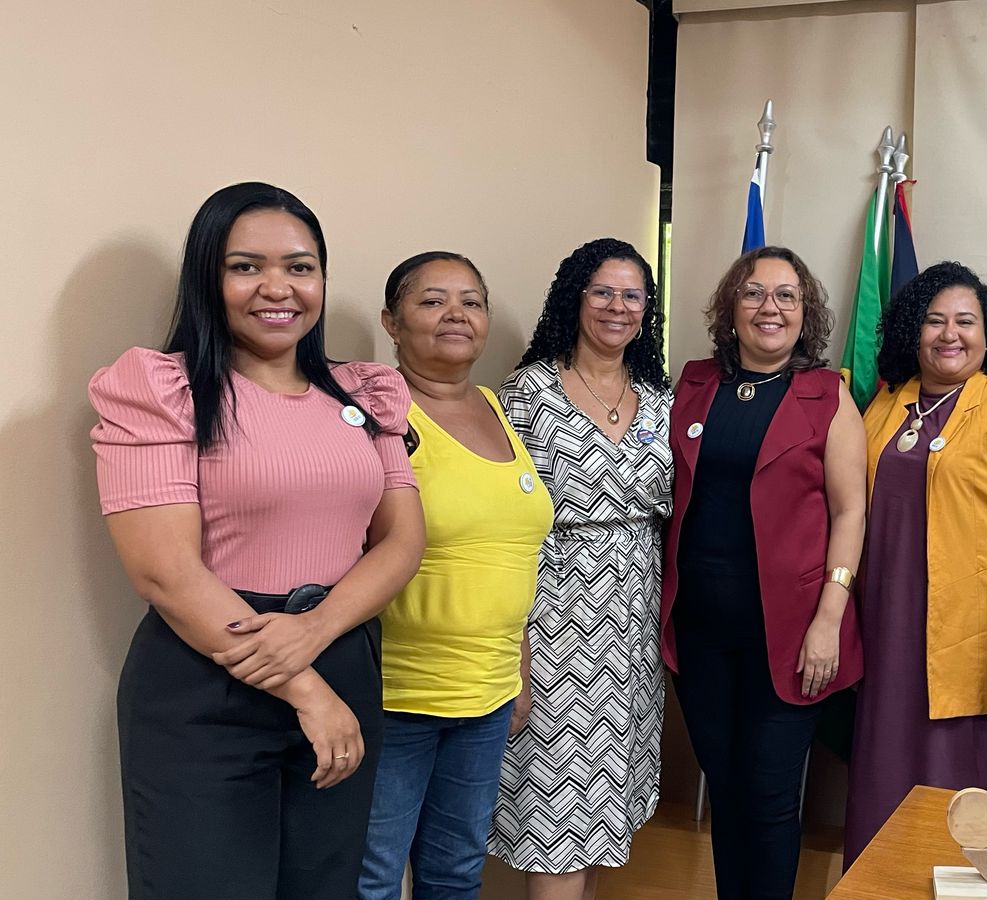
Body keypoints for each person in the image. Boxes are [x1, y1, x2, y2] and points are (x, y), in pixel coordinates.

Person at [89, 182, 425, 900]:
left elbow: (401, 541)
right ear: (208, 278)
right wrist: (304, 686)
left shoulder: (364, 394)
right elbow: (166, 573)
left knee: (324, 887)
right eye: (246, 266)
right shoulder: (161, 390)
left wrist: (315, 633)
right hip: (207, 677)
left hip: (342, 657)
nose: (278, 287)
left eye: (300, 267)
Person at [662, 247, 866, 899]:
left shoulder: (828, 396)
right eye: (753, 293)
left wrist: (830, 618)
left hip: (793, 637)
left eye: (786, 295)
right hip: (701, 634)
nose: (768, 307)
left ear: (806, 313)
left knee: (770, 797)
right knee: (726, 789)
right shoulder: (694, 384)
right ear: (731, 307)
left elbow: (850, 511)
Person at [843, 261, 987, 865]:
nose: (949, 334)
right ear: (913, 331)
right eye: (934, 321)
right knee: (883, 789)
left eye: (966, 321)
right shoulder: (887, 403)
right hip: (888, 635)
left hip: (970, 641)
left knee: (959, 802)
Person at [359, 252, 553, 899]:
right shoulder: (375, 413)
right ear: (391, 321)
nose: (456, 314)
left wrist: (517, 671)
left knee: (456, 872)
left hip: (487, 693)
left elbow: (511, 554)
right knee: (373, 879)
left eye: (471, 302)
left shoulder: (496, 406)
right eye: (432, 300)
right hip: (397, 694)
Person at [492, 238, 672, 900]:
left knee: (601, 815)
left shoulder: (660, 398)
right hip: (555, 620)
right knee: (558, 814)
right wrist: (514, 648)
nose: (617, 306)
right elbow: (500, 525)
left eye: (632, 295)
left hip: (635, 624)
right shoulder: (526, 393)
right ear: (574, 297)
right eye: (602, 291)